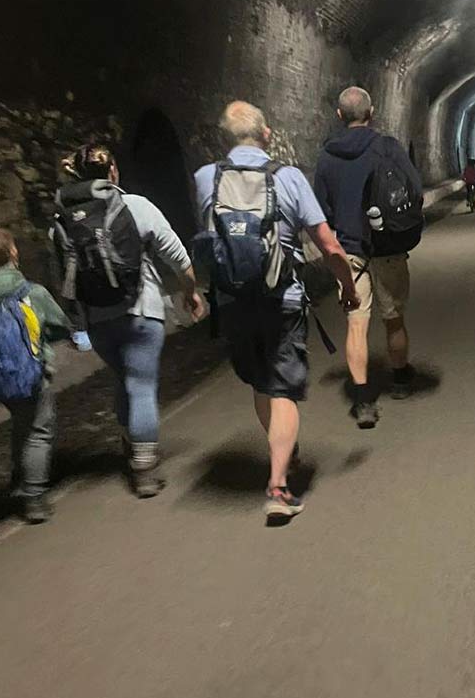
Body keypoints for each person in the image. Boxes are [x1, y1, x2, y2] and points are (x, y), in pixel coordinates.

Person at [195, 102, 359, 519]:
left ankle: (282, 452)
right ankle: (279, 487)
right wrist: (347, 285)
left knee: (262, 384)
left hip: (233, 301)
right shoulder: (288, 179)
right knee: (283, 387)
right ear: (266, 135)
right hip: (281, 297)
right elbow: (328, 244)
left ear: (225, 139)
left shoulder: (204, 179)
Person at [53, 144, 203, 499]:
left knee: (122, 377)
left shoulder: (60, 222)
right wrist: (190, 292)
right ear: (114, 172)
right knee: (140, 385)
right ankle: (144, 468)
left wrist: (76, 321)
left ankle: (128, 440)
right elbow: (177, 257)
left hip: (98, 320)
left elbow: (63, 274)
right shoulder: (135, 206)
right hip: (141, 312)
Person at [314, 86, 420, 428]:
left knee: (356, 324)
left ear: (340, 115)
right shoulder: (386, 147)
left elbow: (322, 211)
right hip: (387, 246)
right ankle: (400, 379)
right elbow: (414, 189)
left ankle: (362, 401)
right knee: (393, 317)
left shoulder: (328, 156)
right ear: (371, 113)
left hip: (349, 251)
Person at [0, 226, 72, 523]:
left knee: (22, 424)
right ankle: (34, 497)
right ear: (13, 253)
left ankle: (18, 480)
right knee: (38, 429)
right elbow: (59, 325)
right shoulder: (29, 292)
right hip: (29, 374)